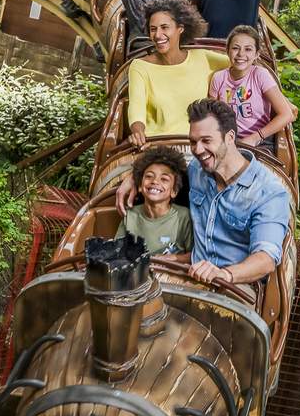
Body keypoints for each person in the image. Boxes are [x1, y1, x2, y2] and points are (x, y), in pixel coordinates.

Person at [116, 99, 290, 288]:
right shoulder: (197, 169)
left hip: (235, 283)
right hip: (189, 275)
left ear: (230, 137)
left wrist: (225, 274)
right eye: (193, 142)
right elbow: (163, 170)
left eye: (206, 141)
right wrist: (135, 176)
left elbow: (266, 259)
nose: (198, 150)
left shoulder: (269, 192)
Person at [126, 0, 230, 147]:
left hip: (199, 145)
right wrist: (137, 132)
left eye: (164, 27)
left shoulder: (202, 57)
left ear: (180, 28)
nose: (157, 35)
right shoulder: (139, 66)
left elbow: (241, 62)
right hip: (157, 144)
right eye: (153, 29)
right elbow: (136, 108)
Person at [208, 25, 295, 151]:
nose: (241, 54)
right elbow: (213, 116)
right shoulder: (219, 78)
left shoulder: (260, 75)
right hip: (227, 140)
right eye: (235, 48)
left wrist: (255, 138)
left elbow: (286, 114)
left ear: (256, 54)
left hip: (260, 140)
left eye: (248, 49)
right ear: (227, 51)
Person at [114, 146, 193, 259]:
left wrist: (172, 259)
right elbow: (117, 252)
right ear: (140, 186)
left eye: (164, 179)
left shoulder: (184, 216)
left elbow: (194, 256)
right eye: (149, 176)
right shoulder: (130, 215)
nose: (155, 181)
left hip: (171, 273)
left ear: (174, 191)